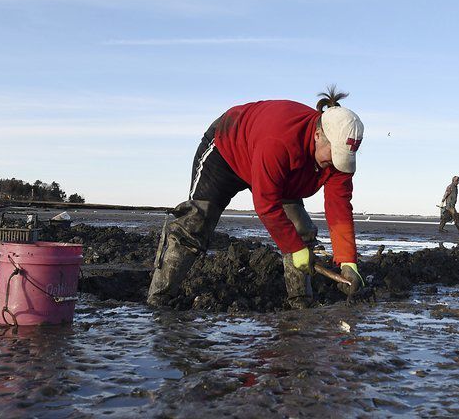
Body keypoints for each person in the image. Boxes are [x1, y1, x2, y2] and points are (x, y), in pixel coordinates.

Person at [147, 87, 364, 309]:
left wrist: (348, 260)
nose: (338, 162)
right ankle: (158, 299)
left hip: (276, 169)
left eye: (343, 157)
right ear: (318, 135)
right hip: (228, 149)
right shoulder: (280, 140)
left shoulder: (340, 159)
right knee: (195, 223)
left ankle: (301, 305)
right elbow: (266, 204)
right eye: (334, 154)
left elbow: (339, 210)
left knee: (301, 230)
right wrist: (293, 247)